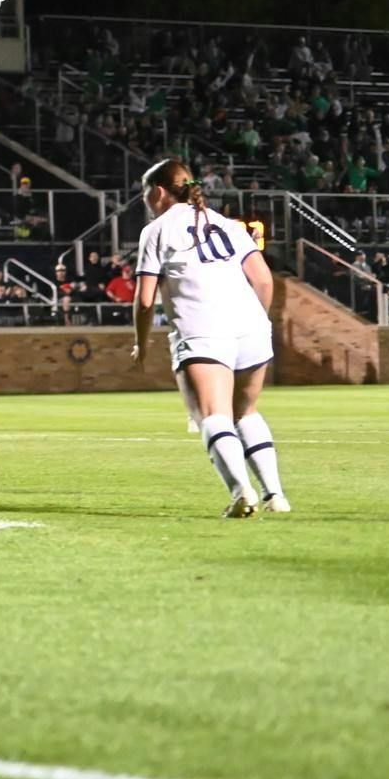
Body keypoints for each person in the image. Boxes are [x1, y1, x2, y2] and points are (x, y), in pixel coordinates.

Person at [131, 158, 289, 517]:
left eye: (145, 194)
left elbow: (143, 301)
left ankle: (241, 492)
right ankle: (276, 495)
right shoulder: (229, 226)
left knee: (213, 415)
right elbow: (264, 281)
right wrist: (255, 325)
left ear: (158, 193)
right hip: (251, 327)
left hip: (203, 330)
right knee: (245, 412)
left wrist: (142, 343)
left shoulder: (155, 231)